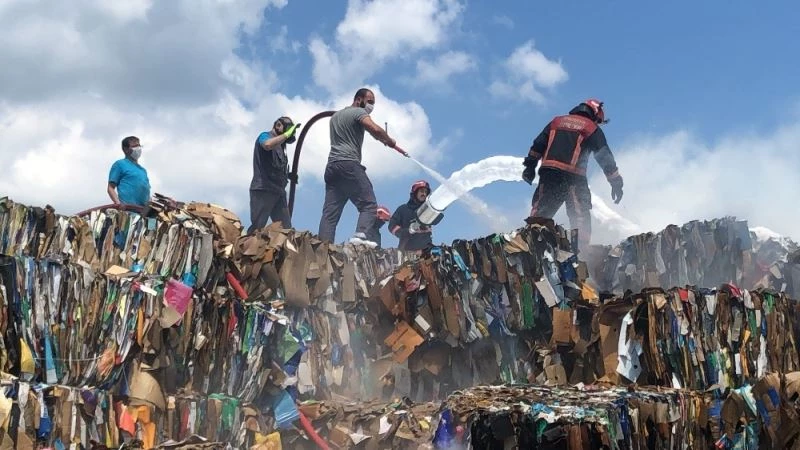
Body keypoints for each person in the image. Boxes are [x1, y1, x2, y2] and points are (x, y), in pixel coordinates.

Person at [522, 99, 624, 250]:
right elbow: (604, 156)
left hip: (549, 174)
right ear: (595, 115)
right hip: (573, 178)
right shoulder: (590, 127)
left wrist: (530, 166)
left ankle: (531, 248)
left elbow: (538, 144)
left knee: (540, 214)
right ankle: (579, 252)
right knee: (579, 216)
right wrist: (616, 182)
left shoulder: (556, 122)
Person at [317, 88, 400, 247]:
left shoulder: (335, 117)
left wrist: (380, 138)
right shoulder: (357, 112)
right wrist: (390, 141)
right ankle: (359, 239)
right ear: (358, 99)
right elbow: (374, 128)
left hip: (332, 168)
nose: (371, 106)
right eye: (369, 101)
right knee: (369, 205)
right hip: (349, 165)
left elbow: (367, 132)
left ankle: (322, 249)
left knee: (330, 215)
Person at [248, 116, 300, 233]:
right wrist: (286, 135)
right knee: (257, 229)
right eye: (287, 130)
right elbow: (267, 145)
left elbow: (274, 167)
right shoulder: (264, 136)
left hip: (278, 192)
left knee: (286, 230)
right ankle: (247, 249)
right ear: (277, 125)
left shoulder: (281, 146)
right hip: (263, 189)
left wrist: (288, 175)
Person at [389, 180, 434, 252]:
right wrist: (407, 231)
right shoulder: (403, 209)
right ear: (415, 193)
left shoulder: (428, 210)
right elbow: (392, 226)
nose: (424, 194)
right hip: (407, 252)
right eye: (422, 191)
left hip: (425, 253)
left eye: (426, 192)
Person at [107, 136, 151, 207]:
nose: (138, 148)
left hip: (143, 211)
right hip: (128, 210)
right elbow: (110, 188)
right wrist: (118, 204)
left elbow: (147, 192)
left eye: (139, 146)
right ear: (125, 149)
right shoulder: (120, 164)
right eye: (134, 146)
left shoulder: (143, 171)